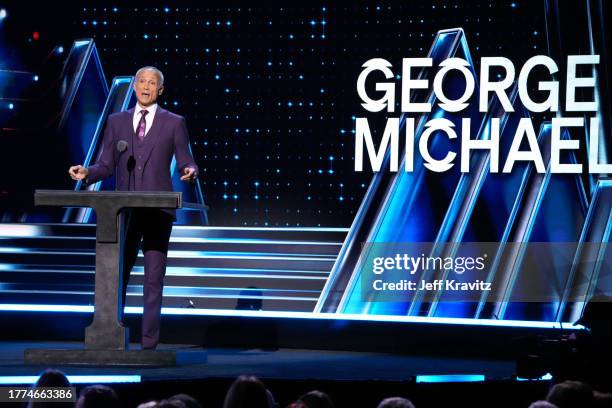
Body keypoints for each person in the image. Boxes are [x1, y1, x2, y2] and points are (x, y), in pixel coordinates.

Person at [68, 66, 198, 350]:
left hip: (157, 213)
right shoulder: (116, 122)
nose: (146, 86)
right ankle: (114, 336)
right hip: (123, 213)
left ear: (160, 90)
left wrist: (189, 170)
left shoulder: (174, 122)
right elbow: (105, 165)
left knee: (153, 278)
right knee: (117, 275)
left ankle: (149, 343)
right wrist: (86, 173)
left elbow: (186, 158)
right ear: (136, 86)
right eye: (142, 81)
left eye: (152, 83)